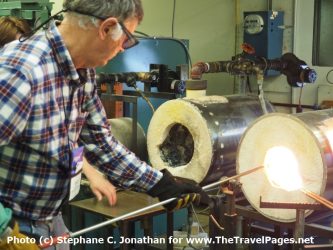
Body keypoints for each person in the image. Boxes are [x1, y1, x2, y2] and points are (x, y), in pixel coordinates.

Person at [0, 0, 209, 249]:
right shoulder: (22, 71)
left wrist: (160, 184)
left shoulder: (81, 71)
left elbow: (101, 143)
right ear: (107, 28)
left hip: (49, 218)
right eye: (127, 39)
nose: (123, 49)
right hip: (15, 225)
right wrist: (3, 231)